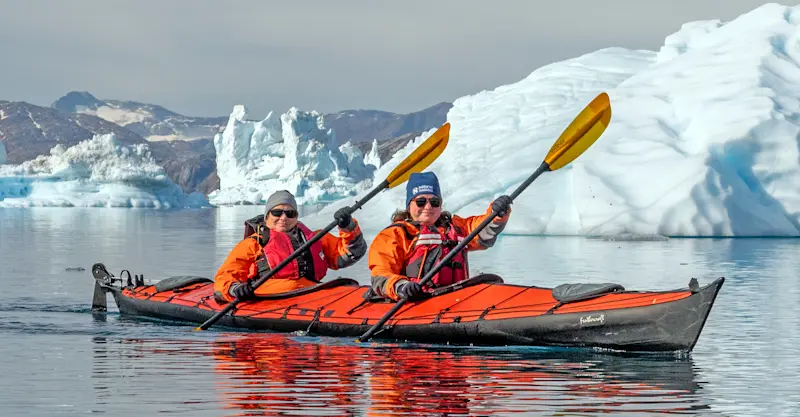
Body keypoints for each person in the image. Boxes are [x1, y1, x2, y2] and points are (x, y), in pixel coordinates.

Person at [368, 171, 512, 301]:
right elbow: (380, 275)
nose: (428, 207)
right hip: (416, 301)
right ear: (409, 205)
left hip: (456, 300)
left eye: (434, 202)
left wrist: (497, 214)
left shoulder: (456, 228)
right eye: (421, 201)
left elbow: (482, 231)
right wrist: (401, 286)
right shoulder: (394, 235)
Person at [213, 190, 366, 302]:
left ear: (296, 217)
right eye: (277, 213)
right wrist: (235, 289)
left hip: (313, 294)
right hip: (269, 300)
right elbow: (225, 277)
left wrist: (348, 227)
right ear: (267, 216)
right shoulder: (253, 244)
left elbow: (351, 253)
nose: (283, 218)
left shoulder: (315, 238)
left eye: (290, 213)